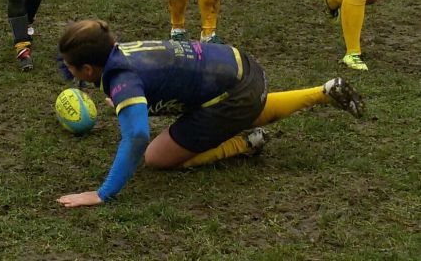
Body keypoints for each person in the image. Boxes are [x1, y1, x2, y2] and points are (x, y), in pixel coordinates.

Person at [55, 19, 364, 208]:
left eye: (70, 66)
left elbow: (136, 136)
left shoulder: (123, 79)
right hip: (243, 68)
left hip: (235, 95)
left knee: (156, 157)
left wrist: (103, 193)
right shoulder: (120, 50)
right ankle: (323, 92)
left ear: (87, 68)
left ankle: (245, 143)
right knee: (242, 108)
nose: (66, 70)